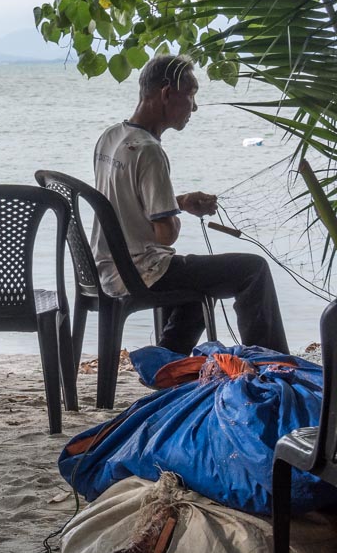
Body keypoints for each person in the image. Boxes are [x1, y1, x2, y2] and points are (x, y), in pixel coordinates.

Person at [91, 54, 288, 354]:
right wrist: (173, 216)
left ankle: (167, 359)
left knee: (196, 283)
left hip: (108, 266)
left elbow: (126, 202)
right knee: (253, 270)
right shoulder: (149, 151)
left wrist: (178, 202)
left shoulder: (112, 136)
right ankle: (271, 364)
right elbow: (166, 235)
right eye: (191, 95)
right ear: (167, 93)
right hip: (141, 271)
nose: (194, 107)